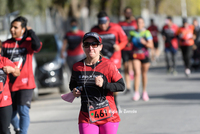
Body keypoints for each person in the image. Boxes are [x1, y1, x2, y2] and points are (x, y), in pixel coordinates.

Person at [69, 32, 125, 134]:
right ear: (83, 47)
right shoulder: (77, 67)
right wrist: (74, 91)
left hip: (108, 115)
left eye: (94, 44)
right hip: (87, 116)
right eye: (87, 45)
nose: (90, 48)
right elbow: (73, 85)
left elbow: (121, 86)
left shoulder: (108, 65)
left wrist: (105, 84)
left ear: (100, 47)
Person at [2, 16, 42, 134]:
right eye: (11, 27)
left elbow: (37, 46)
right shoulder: (6, 44)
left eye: (16, 27)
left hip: (26, 83)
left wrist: (31, 32)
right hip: (9, 84)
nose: (12, 30)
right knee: (11, 113)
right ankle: (18, 129)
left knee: (23, 110)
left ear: (23, 29)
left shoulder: (29, 43)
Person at [91, 11, 128, 108]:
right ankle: (104, 104)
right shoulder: (94, 30)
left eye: (105, 23)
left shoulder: (116, 28)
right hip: (100, 61)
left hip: (115, 60)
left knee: (114, 83)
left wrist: (119, 46)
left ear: (108, 21)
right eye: (101, 23)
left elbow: (124, 40)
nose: (103, 26)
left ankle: (114, 101)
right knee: (101, 82)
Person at [130, 17, 153, 101]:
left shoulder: (147, 33)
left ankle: (144, 92)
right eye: (138, 22)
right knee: (137, 72)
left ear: (143, 24)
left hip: (145, 55)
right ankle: (136, 92)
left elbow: (151, 45)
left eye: (141, 22)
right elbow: (128, 42)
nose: (139, 24)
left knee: (144, 74)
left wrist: (145, 43)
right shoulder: (132, 33)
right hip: (135, 55)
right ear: (136, 23)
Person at [0, 40, 20, 134]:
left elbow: (17, 72)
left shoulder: (4, 61)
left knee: (4, 130)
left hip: (4, 102)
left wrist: (11, 69)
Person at [118, 6, 137, 94]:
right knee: (125, 66)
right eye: (127, 12)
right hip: (124, 48)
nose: (128, 14)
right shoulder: (120, 24)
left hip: (134, 48)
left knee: (133, 66)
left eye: (130, 12)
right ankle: (128, 87)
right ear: (124, 13)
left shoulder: (135, 23)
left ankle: (135, 85)